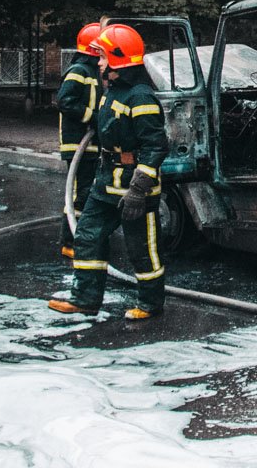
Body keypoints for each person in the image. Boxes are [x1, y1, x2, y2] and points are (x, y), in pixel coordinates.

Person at [48, 23, 169, 320]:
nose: (98, 63)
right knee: (87, 236)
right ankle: (84, 299)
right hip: (106, 185)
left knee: (141, 250)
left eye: (102, 57)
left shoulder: (141, 98)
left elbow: (155, 147)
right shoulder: (112, 92)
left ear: (117, 60)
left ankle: (150, 304)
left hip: (133, 190)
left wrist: (139, 190)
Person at [54, 23, 102, 259]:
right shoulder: (79, 71)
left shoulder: (93, 72)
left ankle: (81, 237)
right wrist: (93, 118)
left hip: (92, 144)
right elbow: (65, 102)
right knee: (80, 193)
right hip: (78, 143)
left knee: (87, 191)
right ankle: (70, 242)